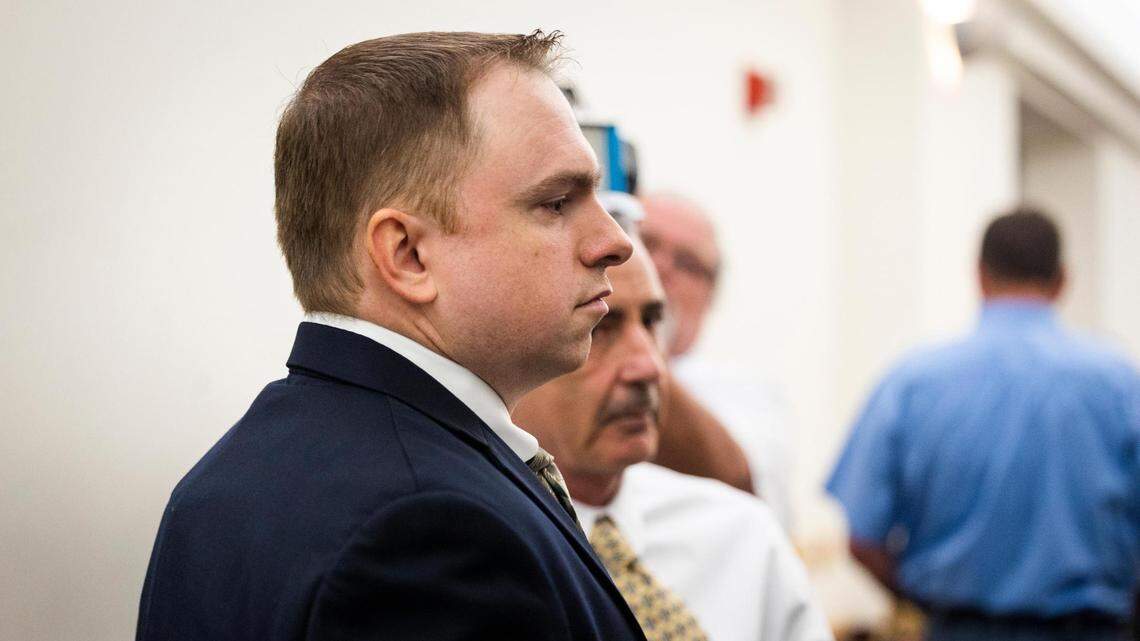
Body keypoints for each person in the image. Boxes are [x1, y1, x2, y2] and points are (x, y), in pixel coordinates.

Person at [135, 31, 648, 641]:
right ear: (407, 255)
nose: (615, 242)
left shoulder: (226, 479)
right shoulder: (430, 527)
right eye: (557, 202)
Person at [827, 207, 1140, 641]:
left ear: (979, 276)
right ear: (1063, 279)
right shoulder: (1121, 384)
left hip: (958, 628)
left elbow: (863, 541)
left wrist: (926, 604)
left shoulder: (913, 382)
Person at [513, 226, 834, 641]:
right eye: (600, 328)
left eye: (652, 322)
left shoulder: (741, 538)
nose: (649, 367)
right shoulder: (476, 547)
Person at [640, 192, 796, 530]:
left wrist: (637, 341)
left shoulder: (744, 390)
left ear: (711, 295)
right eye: (643, 242)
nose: (660, 267)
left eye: (687, 263)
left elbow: (742, 484)